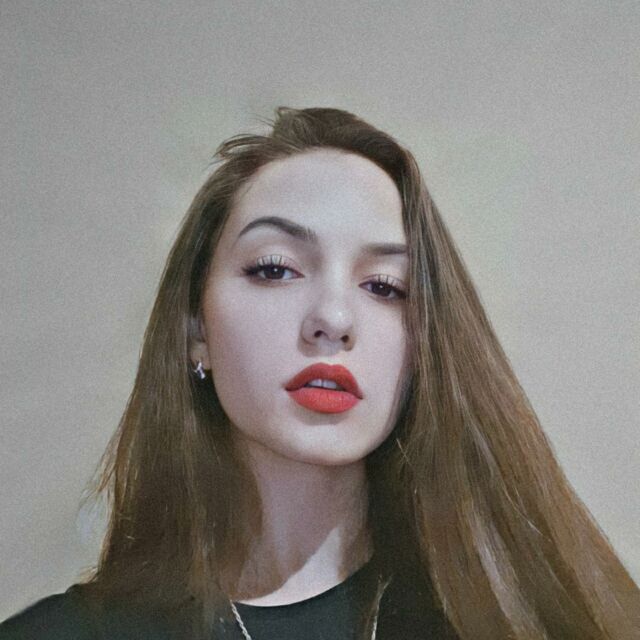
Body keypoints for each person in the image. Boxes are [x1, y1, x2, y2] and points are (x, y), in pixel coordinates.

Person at [1, 107, 638, 640]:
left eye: (385, 286)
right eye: (275, 268)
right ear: (197, 332)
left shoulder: (532, 621)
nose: (333, 319)